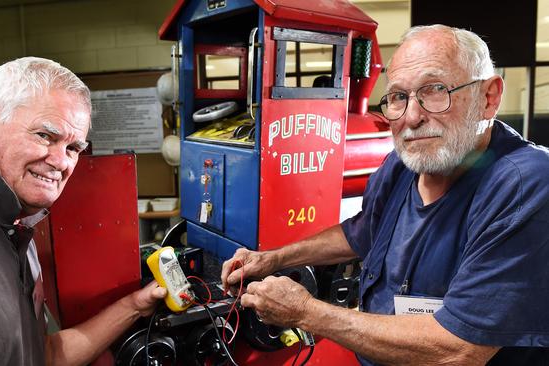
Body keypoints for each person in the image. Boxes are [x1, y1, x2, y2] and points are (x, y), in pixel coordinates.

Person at [221, 25, 549, 365]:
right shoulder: (402, 165)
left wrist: (306, 312)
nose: (412, 117)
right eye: (398, 97)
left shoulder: (525, 185)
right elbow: (362, 232)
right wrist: (273, 258)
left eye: (435, 90)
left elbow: (460, 348)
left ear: (489, 97)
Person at [0, 57, 166, 366]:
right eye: (45, 136)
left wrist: (135, 304)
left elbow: (44, 355)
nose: (61, 162)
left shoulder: (15, 223)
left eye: (73, 148)